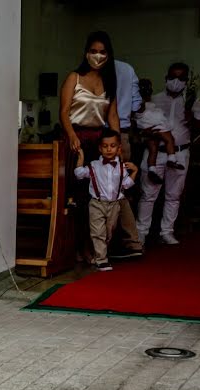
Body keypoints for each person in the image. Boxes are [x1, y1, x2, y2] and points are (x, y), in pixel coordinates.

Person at [60, 31, 121, 263]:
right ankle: (74, 248)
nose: (97, 56)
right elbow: (63, 112)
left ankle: (93, 247)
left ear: (108, 55)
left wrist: (118, 146)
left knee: (98, 198)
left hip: (99, 142)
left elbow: (113, 116)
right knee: (76, 197)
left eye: (102, 52)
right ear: (86, 53)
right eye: (93, 51)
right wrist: (72, 135)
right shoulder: (74, 77)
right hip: (75, 141)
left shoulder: (110, 82)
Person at [135, 62, 200, 246]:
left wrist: (191, 113)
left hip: (180, 152)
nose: (176, 81)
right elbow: (138, 124)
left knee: (173, 195)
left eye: (181, 78)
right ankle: (140, 233)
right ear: (166, 78)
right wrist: (146, 133)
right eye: (173, 77)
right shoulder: (154, 99)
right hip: (154, 151)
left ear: (185, 81)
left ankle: (166, 231)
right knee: (148, 194)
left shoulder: (192, 102)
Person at [73, 129, 139, 272]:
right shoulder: (94, 165)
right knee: (98, 232)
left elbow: (126, 185)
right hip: (97, 204)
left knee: (109, 232)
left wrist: (134, 171)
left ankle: (97, 254)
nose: (109, 149)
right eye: (105, 146)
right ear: (100, 148)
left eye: (113, 146)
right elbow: (79, 174)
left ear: (119, 148)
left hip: (114, 205)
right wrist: (81, 156)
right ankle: (102, 260)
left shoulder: (122, 168)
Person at [111, 58, 146, 259]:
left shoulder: (94, 72)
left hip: (104, 136)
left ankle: (122, 241)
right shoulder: (127, 68)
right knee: (117, 190)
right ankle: (130, 241)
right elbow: (137, 106)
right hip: (122, 133)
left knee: (110, 191)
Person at [135, 78, 184, 183]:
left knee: (153, 150)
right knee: (170, 139)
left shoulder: (145, 102)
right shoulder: (141, 103)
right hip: (154, 126)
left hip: (148, 126)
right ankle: (172, 159)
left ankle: (152, 170)